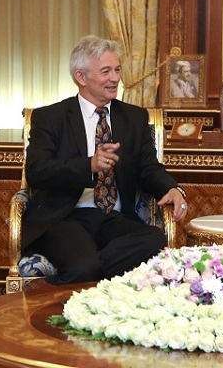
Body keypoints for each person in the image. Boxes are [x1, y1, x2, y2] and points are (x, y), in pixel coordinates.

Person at [21, 35, 189, 285]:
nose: (115, 78)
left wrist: (172, 189)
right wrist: (88, 165)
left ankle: (82, 275)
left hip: (114, 219)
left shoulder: (133, 118)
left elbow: (148, 167)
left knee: (156, 240)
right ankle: (88, 272)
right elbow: (37, 171)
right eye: (106, 71)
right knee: (83, 264)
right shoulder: (51, 117)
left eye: (117, 70)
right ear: (81, 77)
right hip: (65, 218)